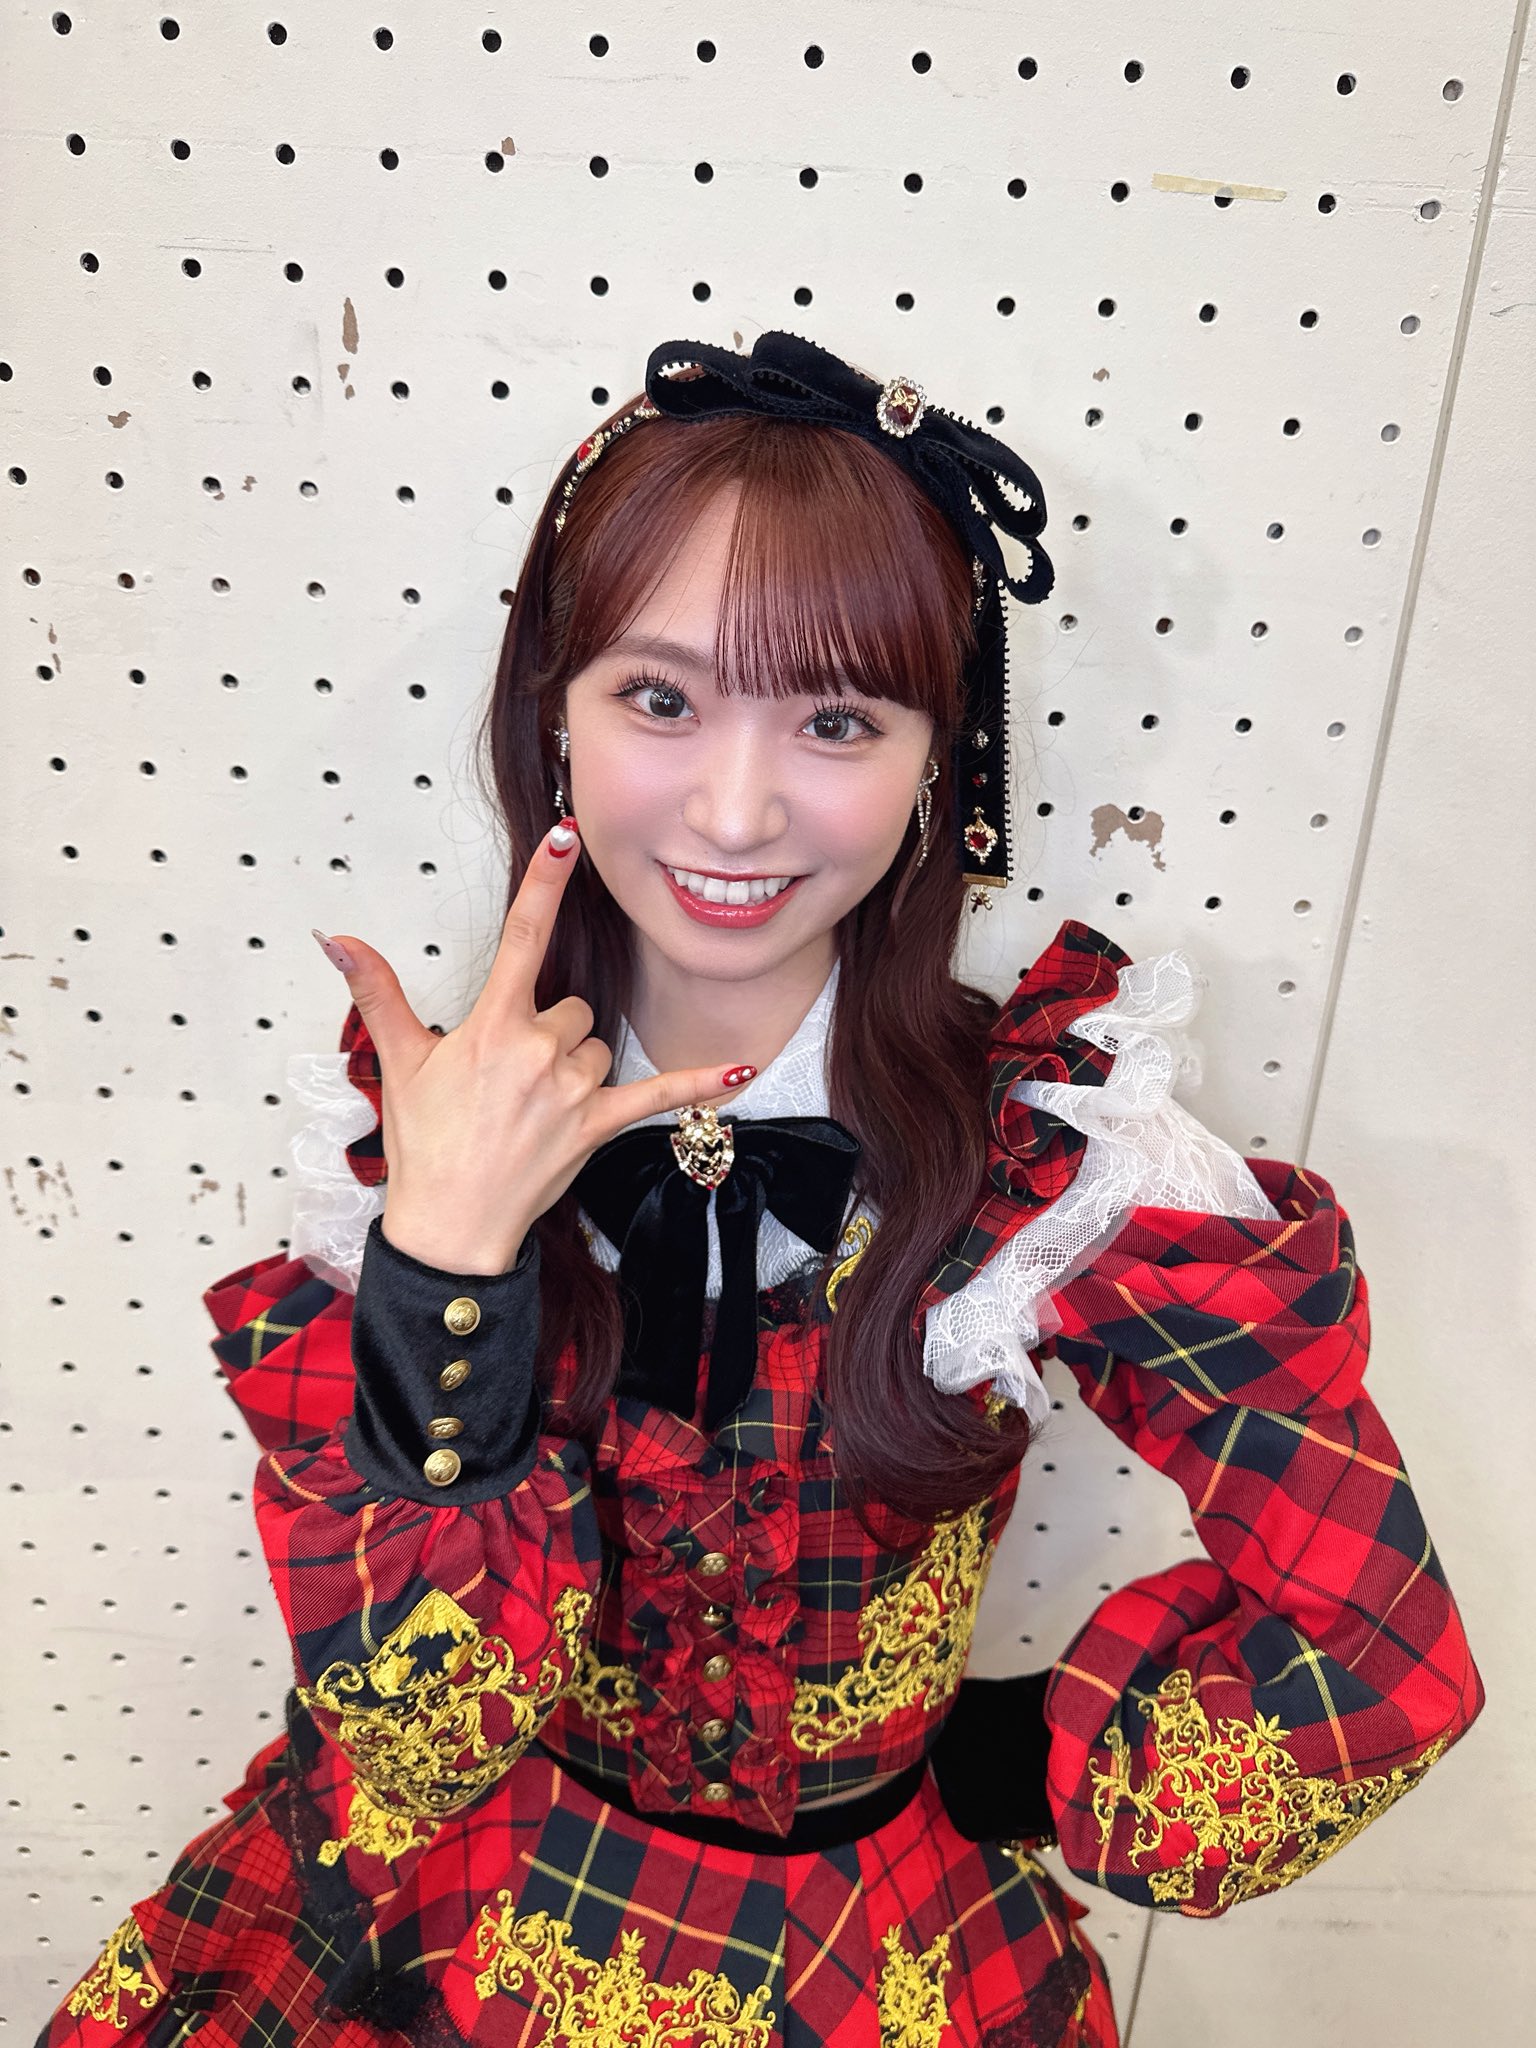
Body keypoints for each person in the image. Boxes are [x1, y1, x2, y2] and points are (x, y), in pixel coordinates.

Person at [38, 334, 1484, 2048]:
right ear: (554, 716)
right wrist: (449, 1263)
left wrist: (1017, 1763)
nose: (736, 810)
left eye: (836, 720)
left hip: (866, 1952)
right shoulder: (404, 1140)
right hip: (444, 1917)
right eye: (660, 700)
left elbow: (1379, 1657)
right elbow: (409, 1739)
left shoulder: (1059, 1159)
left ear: (942, 760)